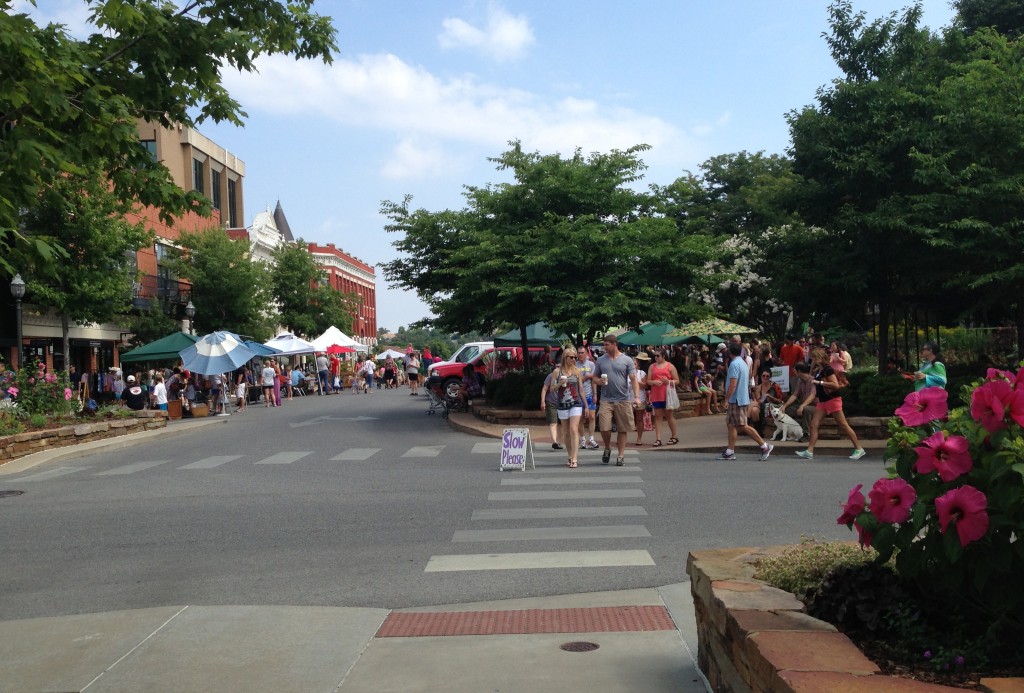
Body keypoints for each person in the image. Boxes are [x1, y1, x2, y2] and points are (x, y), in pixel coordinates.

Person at [796, 349, 866, 461]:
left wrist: (819, 382)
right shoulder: (819, 370)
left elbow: (835, 384)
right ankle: (809, 451)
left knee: (843, 424)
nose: (812, 360)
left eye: (813, 357)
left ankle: (859, 448)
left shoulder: (828, 369)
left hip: (832, 400)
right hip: (823, 401)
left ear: (818, 357)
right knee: (814, 424)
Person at [717, 343, 774, 461]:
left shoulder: (734, 364)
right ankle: (730, 450)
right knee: (731, 424)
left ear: (730, 352)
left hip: (736, 398)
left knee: (742, 425)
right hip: (741, 397)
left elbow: (733, 383)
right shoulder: (743, 363)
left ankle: (764, 446)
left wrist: (726, 399)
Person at [593, 334, 641, 467]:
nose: (604, 347)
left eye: (606, 344)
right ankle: (607, 447)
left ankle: (621, 455)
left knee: (622, 429)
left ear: (614, 344)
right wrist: (599, 381)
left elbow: (633, 379)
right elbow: (594, 378)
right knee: (604, 428)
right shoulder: (601, 360)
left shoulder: (627, 360)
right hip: (606, 399)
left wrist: (636, 397)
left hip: (623, 399)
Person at [550, 349, 587, 468]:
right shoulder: (557, 372)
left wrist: (586, 405)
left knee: (573, 429)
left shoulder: (577, 372)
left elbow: (581, 389)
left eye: (575, 357)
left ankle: (575, 458)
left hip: (575, 403)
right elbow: (551, 389)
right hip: (562, 405)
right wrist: (560, 384)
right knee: (566, 433)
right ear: (565, 358)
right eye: (571, 357)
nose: (573, 359)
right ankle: (570, 455)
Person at [647, 349, 681, 446]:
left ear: (663, 356)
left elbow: (677, 381)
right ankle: (658, 439)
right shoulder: (652, 366)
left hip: (667, 394)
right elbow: (648, 380)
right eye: (655, 356)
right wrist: (654, 382)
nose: (656, 357)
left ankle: (674, 436)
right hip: (656, 394)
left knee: (669, 416)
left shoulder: (670, 366)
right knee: (658, 417)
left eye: (658, 356)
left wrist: (668, 381)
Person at [780, 361, 817, 439]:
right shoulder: (800, 381)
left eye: (794, 370)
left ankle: (806, 434)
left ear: (799, 371)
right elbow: (794, 395)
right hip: (802, 405)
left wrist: (802, 406)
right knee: (787, 410)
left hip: (814, 406)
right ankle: (785, 432)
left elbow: (812, 395)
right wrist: (785, 406)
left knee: (806, 409)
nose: (793, 372)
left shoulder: (812, 380)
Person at [576, 348, 599, 450]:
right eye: (579, 353)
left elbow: (594, 380)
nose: (580, 354)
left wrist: (595, 394)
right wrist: (586, 377)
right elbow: (575, 379)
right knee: (581, 418)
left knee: (592, 416)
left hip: (589, 393)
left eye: (582, 353)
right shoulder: (575, 365)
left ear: (586, 354)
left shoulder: (591, 365)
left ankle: (591, 438)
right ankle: (582, 439)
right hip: (579, 395)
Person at [749, 371, 784, 437]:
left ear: (770, 377)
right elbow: (758, 401)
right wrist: (762, 399)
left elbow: (780, 401)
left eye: (767, 376)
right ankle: (758, 431)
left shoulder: (775, 386)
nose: (765, 378)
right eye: (763, 376)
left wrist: (770, 397)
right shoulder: (759, 387)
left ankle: (747, 422)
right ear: (761, 377)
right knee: (754, 410)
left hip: (772, 408)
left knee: (753, 405)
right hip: (762, 406)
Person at [539, 368, 563, 450]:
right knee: (553, 423)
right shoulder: (550, 376)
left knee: (562, 423)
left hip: (562, 402)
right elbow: (544, 389)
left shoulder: (565, 376)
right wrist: (543, 401)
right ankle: (555, 441)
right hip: (551, 402)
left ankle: (559, 441)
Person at [632, 353, 650, 446]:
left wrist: (635, 381)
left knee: (639, 419)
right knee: (626, 419)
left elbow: (645, 385)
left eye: (635, 364)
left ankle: (639, 438)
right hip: (628, 399)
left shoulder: (641, 373)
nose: (633, 365)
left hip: (640, 398)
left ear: (638, 365)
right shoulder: (625, 374)